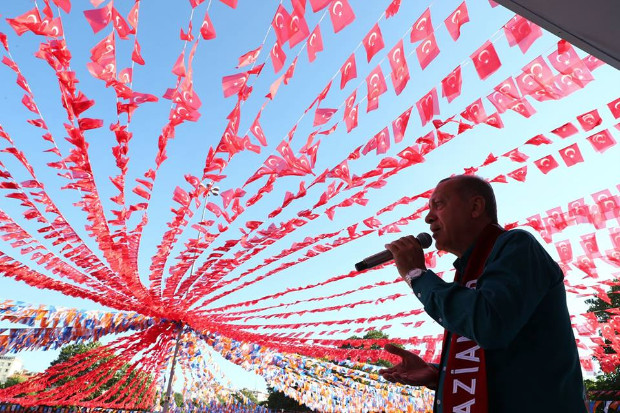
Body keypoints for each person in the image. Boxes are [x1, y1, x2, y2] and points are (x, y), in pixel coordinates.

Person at [380, 175, 587, 412]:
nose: (428, 218)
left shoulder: (517, 246)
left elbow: (489, 323)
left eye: (438, 205)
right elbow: (499, 363)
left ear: (476, 207)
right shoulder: (466, 274)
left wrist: (417, 275)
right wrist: (440, 375)